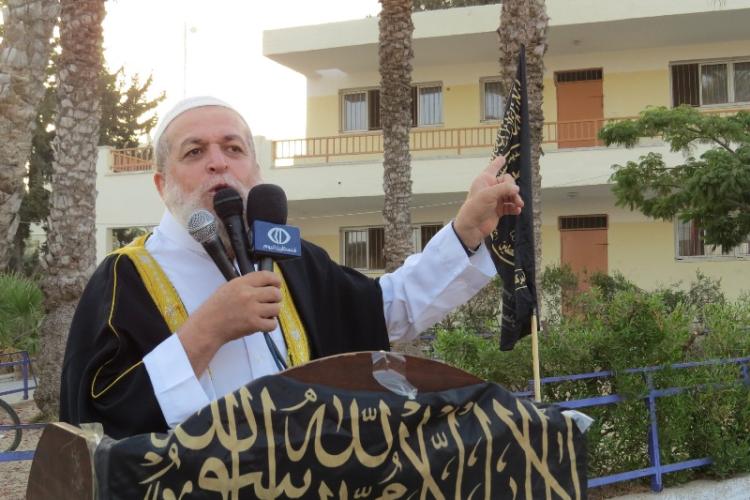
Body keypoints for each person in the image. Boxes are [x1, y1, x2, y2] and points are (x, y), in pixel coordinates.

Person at [59, 96, 523, 439]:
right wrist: (207, 330)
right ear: (162, 184)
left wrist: (465, 231)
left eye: (233, 149)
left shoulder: (289, 256)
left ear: (255, 173)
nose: (218, 163)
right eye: (194, 152)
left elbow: (385, 311)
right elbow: (94, 421)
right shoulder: (123, 278)